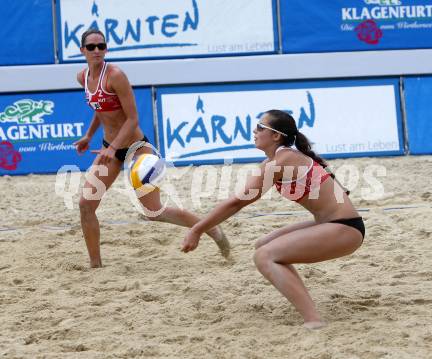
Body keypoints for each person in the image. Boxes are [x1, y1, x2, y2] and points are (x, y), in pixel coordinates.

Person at [181, 109, 365, 329]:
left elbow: (236, 203)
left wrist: (197, 229)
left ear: (276, 135)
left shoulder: (283, 160)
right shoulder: (277, 160)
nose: (254, 131)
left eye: (260, 127)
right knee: (264, 244)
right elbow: (238, 200)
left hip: (345, 228)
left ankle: (313, 320)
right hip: (332, 223)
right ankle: (306, 304)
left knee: (265, 256)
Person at [74, 29, 229, 268]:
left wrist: (112, 146)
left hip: (137, 148)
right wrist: (88, 136)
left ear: (106, 49)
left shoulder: (115, 75)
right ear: (82, 50)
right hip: (110, 149)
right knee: (86, 205)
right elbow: (100, 108)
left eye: (101, 46)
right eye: (91, 47)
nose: (97, 50)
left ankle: (211, 228)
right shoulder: (82, 76)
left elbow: (132, 119)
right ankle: (96, 266)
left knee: (152, 212)